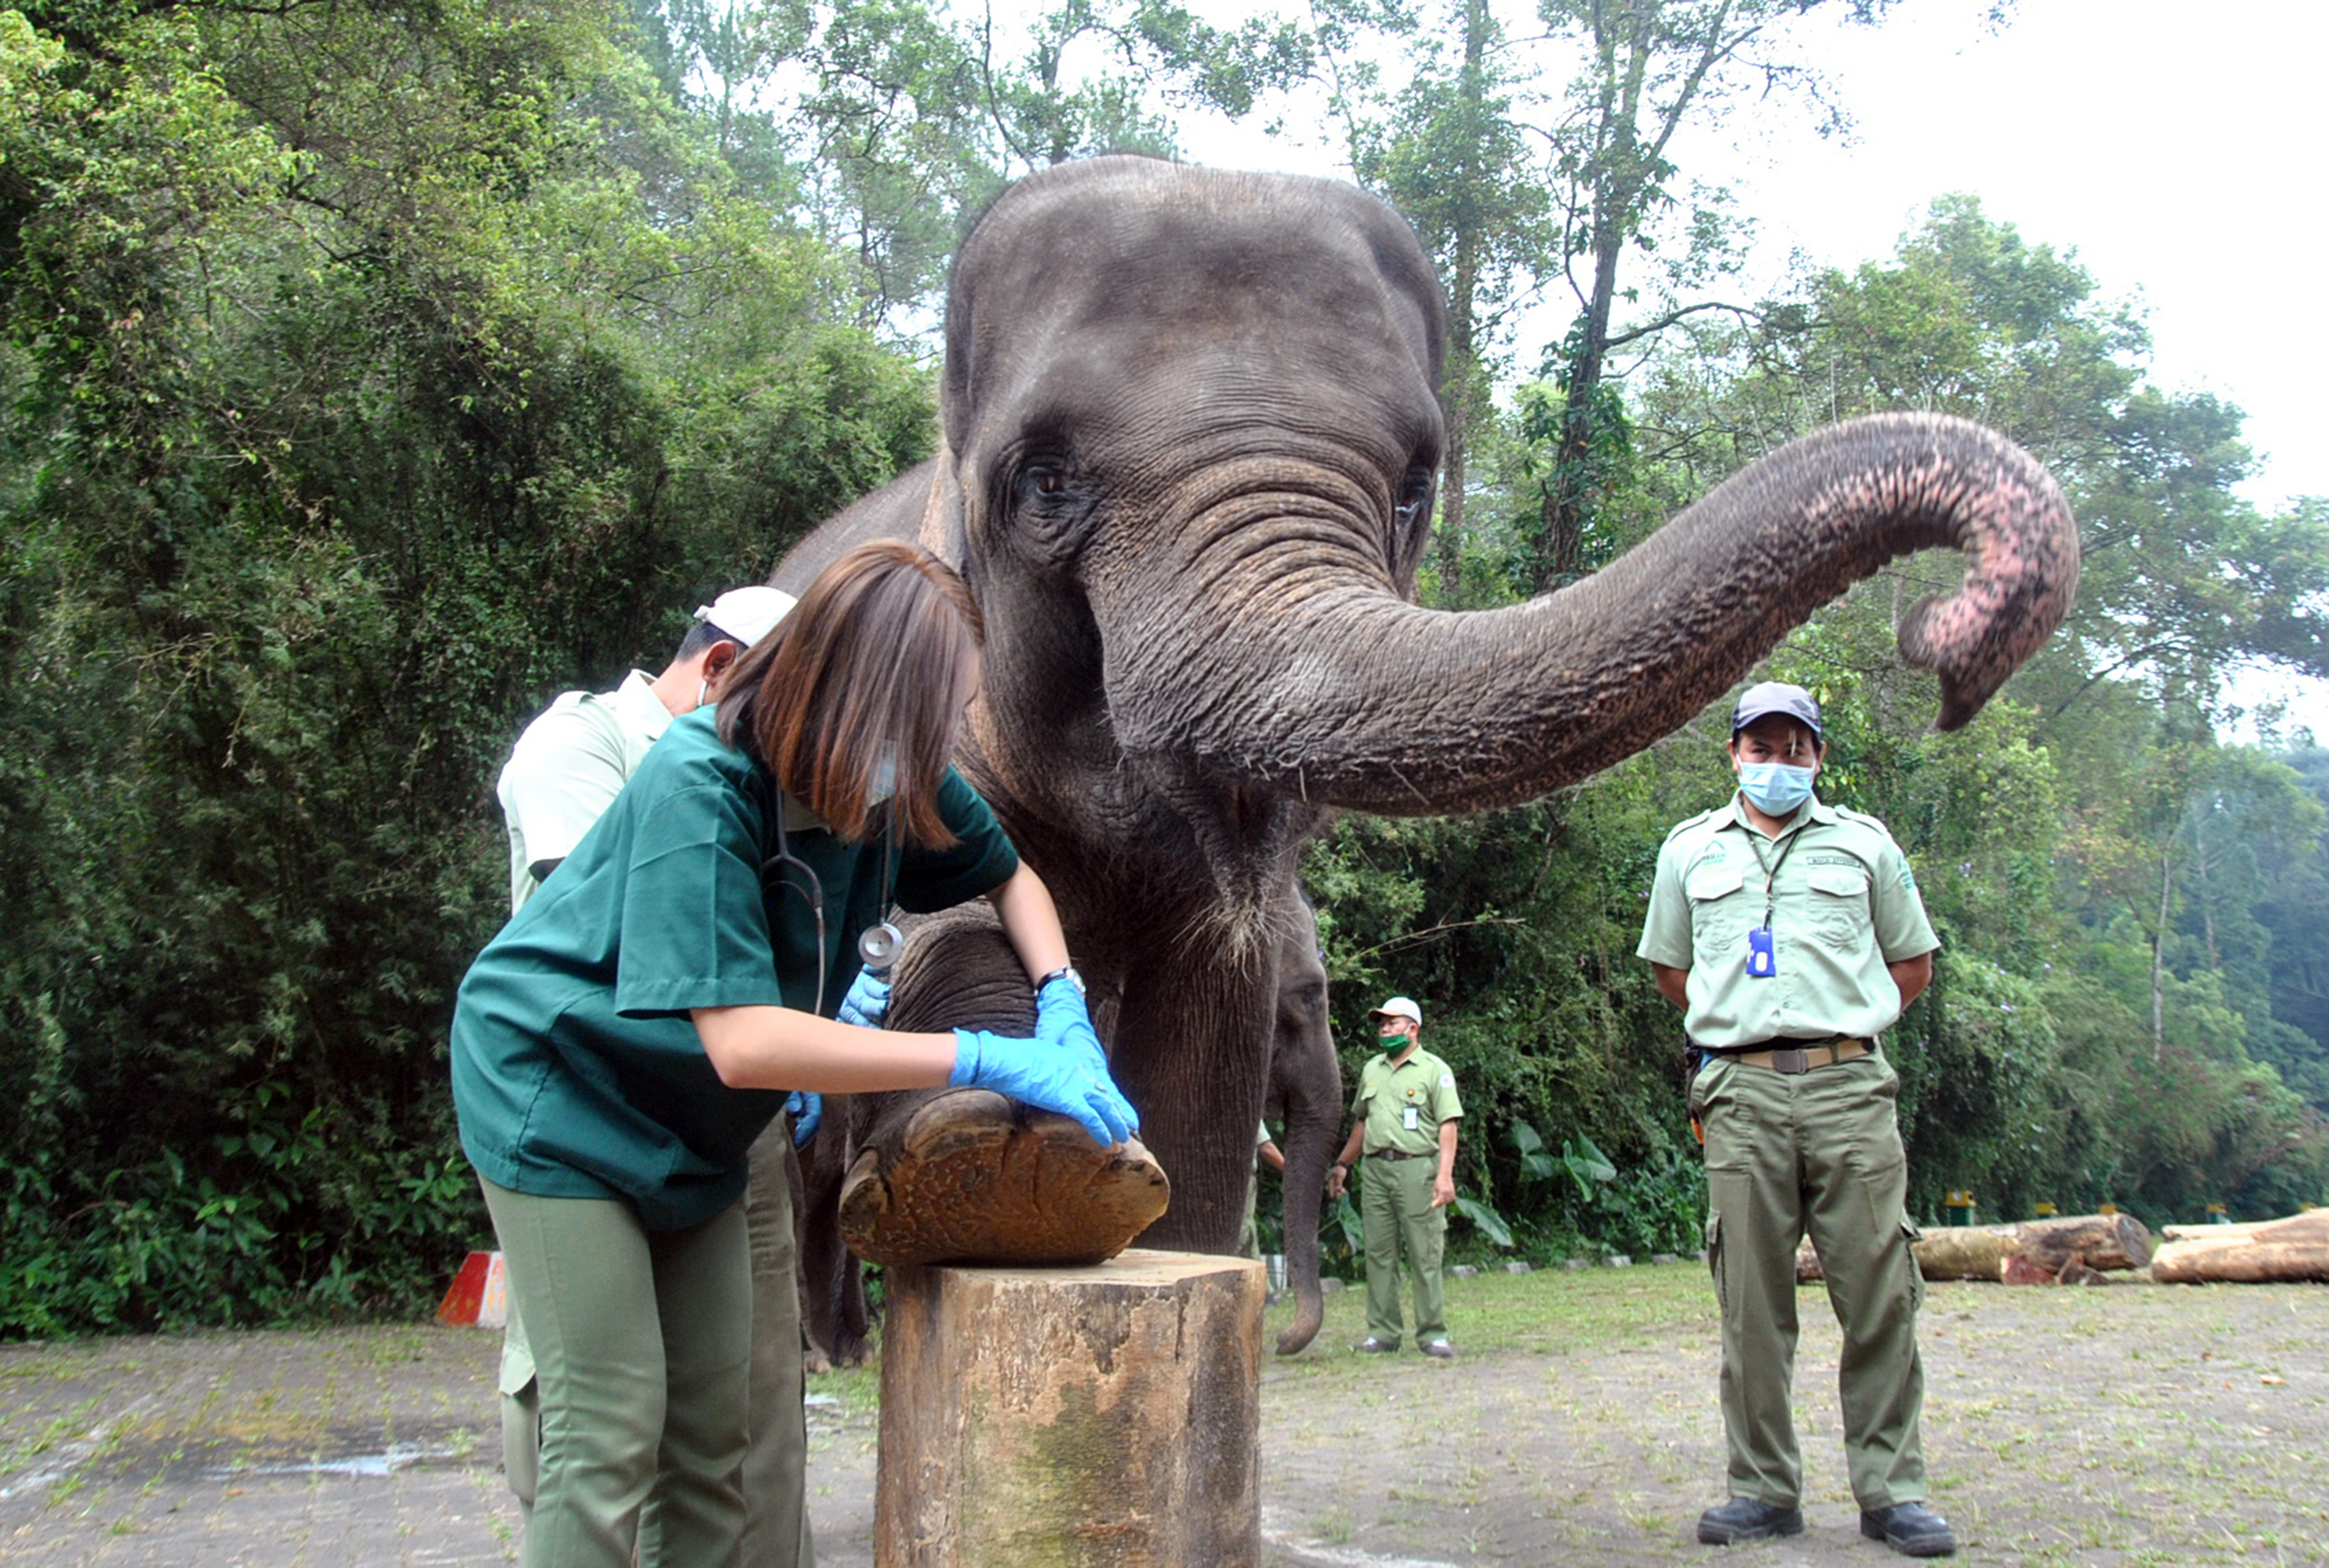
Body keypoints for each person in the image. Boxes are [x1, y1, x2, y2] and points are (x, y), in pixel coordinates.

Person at [452, 541, 1137, 1568]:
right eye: (928, 711)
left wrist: (1059, 999)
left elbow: (1015, 878)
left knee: (717, 1429)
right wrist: (982, 1058)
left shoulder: (894, 782)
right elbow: (740, 1042)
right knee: (609, 1423)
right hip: (564, 1094)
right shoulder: (705, 780)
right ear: (855, 689)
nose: (939, 738)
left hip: (698, 1123)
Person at [492, 582, 827, 1565]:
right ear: (721, 669)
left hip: (734, 1121)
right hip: (596, 1114)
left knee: (751, 1406)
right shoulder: (580, 744)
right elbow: (627, 927)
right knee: (606, 1411)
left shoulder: (749, 766)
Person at [1636, 681, 1955, 1559]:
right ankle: (1763, 1490)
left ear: (1820, 757)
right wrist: (1740, 1031)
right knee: (1751, 1305)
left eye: (1797, 749)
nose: (1781, 764)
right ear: (1734, 753)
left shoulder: (1865, 846)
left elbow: (1912, 964)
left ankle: (1894, 1492)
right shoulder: (1688, 851)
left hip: (1851, 1089)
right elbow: (1672, 970)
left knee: (1881, 1293)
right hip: (1738, 1095)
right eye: (1763, 748)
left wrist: (1840, 1026)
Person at [1326, 997, 1461, 1360]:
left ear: (1413, 1029)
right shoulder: (1373, 1069)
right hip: (1376, 1172)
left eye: (1392, 1023)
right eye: (1381, 1024)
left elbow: (1448, 1127)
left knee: (1425, 1252)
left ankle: (1433, 1334)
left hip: (1418, 1170)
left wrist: (1444, 1177)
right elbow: (1363, 1122)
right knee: (1379, 1253)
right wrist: (1343, 1164)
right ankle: (1383, 1334)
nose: (1384, 1029)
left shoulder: (1434, 1070)